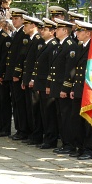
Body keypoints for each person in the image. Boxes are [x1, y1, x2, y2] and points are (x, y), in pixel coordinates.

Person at [46, 18, 78, 154]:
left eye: (58, 29)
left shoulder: (70, 45)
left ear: (65, 30)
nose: (55, 31)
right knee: (60, 116)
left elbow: (70, 70)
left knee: (66, 117)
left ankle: (69, 144)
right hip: (56, 86)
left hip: (62, 87)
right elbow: (54, 67)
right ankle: (65, 143)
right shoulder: (60, 44)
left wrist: (65, 88)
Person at [69, 20, 92, 160]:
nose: (77, 33)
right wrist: (74, 87)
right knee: (77, 120)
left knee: (89, 122)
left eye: (80, 31)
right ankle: (80, 146)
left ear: (88, 33)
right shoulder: (80, 47)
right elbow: (77, 70)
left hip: (89, 89)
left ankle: (90, 149)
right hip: (79, 88)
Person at [17, 15, 45, 145]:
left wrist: (32, 79)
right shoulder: (30, 39)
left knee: (35, 109)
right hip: (28, 78)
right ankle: (32, 134)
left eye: (27, 25)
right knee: (29, 108)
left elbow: (37, 63)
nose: (25, 27)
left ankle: (37, 135)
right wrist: (25, 79)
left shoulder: (38, 40)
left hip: (34, 79)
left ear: (33, 26)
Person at [33, 18, 59, 149]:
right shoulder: (45, 44)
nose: (42, 31)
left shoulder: (53, 45)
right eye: (42, 29)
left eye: (45, 29)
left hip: (46, 84)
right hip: (41, 83)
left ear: (52, 32)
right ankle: (47, 137)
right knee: (44, 112)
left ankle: (51, 139)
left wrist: (48, 84)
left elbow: (51, 67)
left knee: (49, 113)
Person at [5, 8, 28, 140]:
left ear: (23, 20)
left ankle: (23, 130)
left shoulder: (23, 34)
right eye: (13, 18)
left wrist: (17, 73)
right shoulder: (16, 33)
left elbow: (21, 56)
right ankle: (20, 129)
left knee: (20, 104)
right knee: (16, 103)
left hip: (18, 75)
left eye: (16, 18)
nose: (14, 21)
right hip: (13, 73)